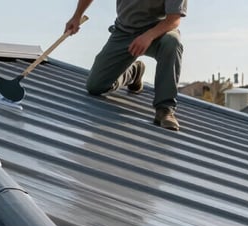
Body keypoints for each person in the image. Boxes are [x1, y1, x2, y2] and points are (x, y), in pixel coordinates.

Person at [65, 0, 187, 131]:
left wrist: (149, 36)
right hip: (124, 32)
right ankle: (134, 72)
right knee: (95, 86)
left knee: (172, 42)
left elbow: (174, 19)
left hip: (158, 31)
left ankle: (165, 110)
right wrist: (77, 16)